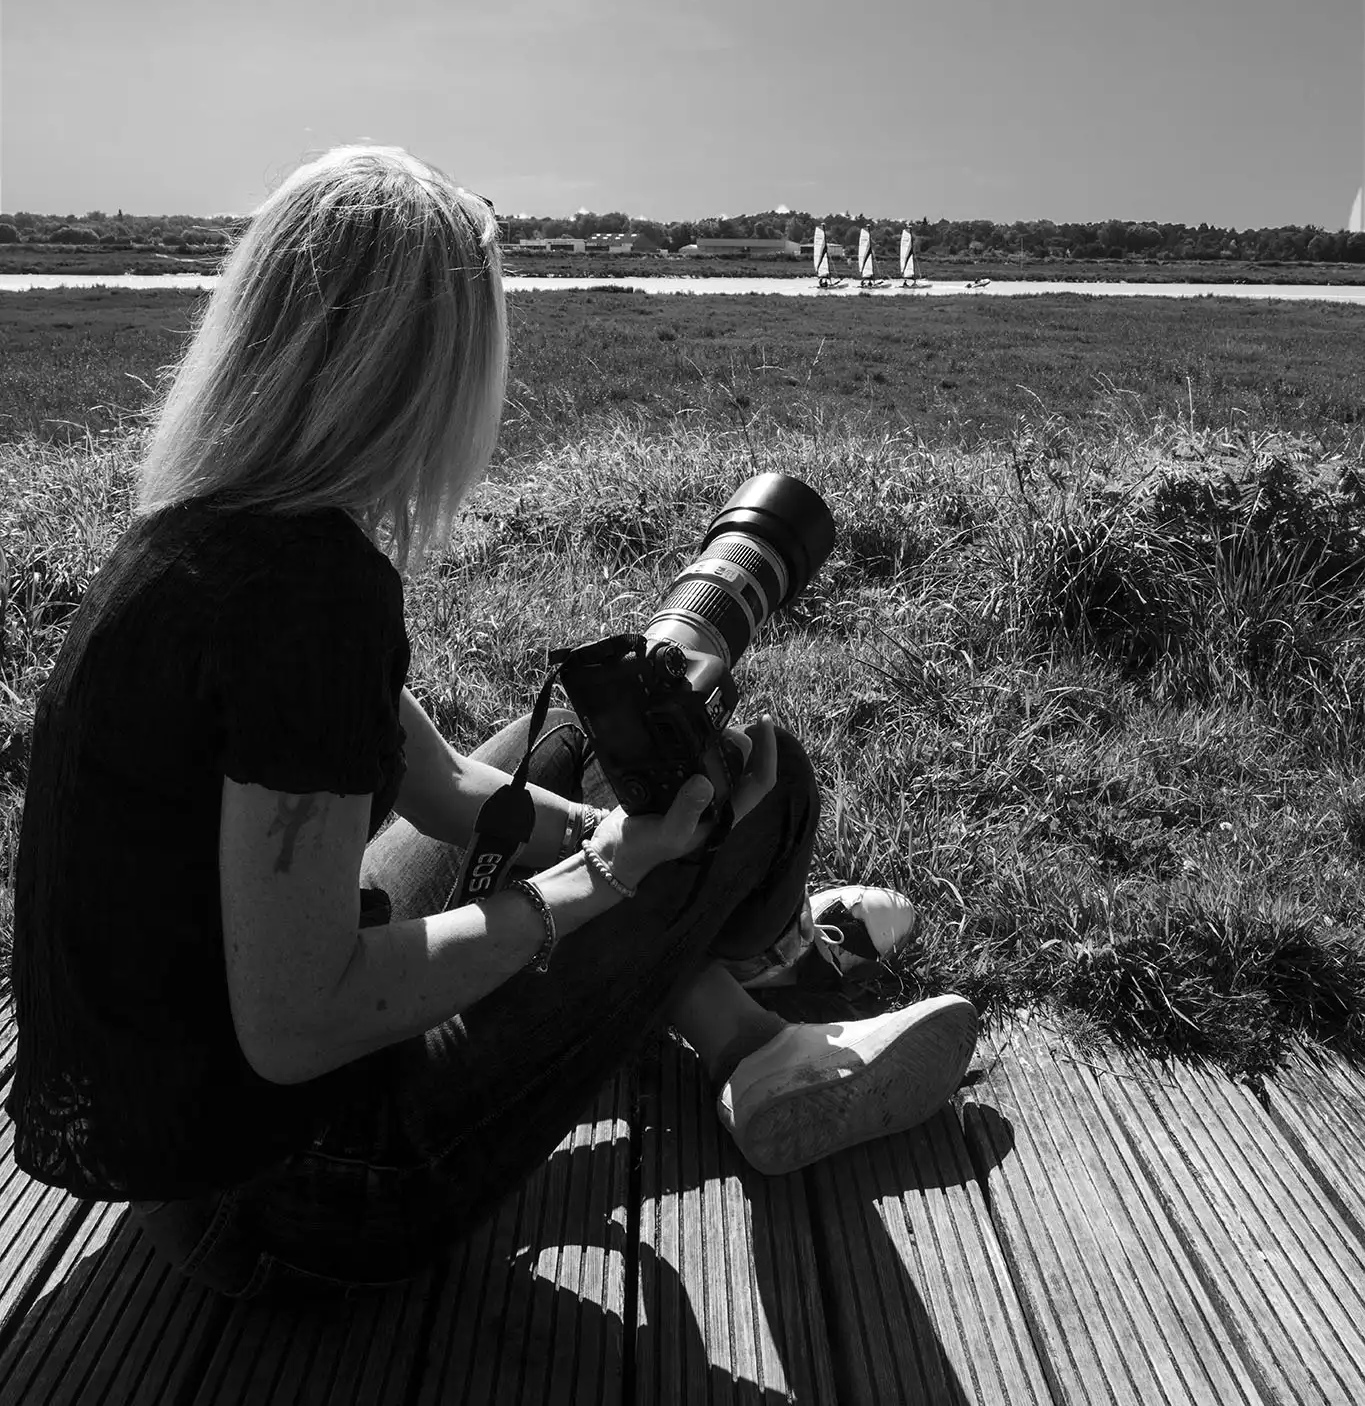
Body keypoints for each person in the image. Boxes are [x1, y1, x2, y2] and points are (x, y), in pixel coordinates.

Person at [7, 145, 977, 1300]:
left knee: (560, 747)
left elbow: (446, 785)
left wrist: (610, 814)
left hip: (175, 1141)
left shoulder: (204, 530)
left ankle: (745, 1018)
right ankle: (764, 971)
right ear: (422, 371)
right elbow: (297, 1020)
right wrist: (611, 875)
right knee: (769, 795)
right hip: (293, 1195)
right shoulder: (310, 601)